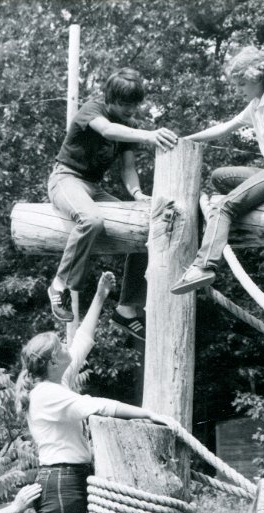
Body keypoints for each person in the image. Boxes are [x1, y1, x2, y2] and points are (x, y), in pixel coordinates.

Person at [16, 271, 168, 513]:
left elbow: (82, 338)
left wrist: (101, 295)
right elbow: (99, 406)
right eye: (61, 349)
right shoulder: (48, 393)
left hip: (68, 480)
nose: (68, 350)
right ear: (52, 361)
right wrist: (149, 414)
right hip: (61, 482)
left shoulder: (55, 381)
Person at [170, 46, 264, 294]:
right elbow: (223, 128)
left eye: (240, 85)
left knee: (224, 206)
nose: (239, 91)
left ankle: (204, 265)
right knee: (220, 176)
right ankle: (248, 199)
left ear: (252, 78)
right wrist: (184, 140)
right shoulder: (256, 105)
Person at [47, 67, 178, 341]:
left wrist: (137, 193)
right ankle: (59, 285)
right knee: (91, 220)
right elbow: (107, 130)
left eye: (135, 105)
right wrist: (148, 135)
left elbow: (127, 168)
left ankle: (126, 308)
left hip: (93, 188)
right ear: (110, 98)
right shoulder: (92, 110)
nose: (131, 110)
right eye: (126, 104)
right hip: (66, 179)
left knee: (145, 228)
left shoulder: (128, 124)